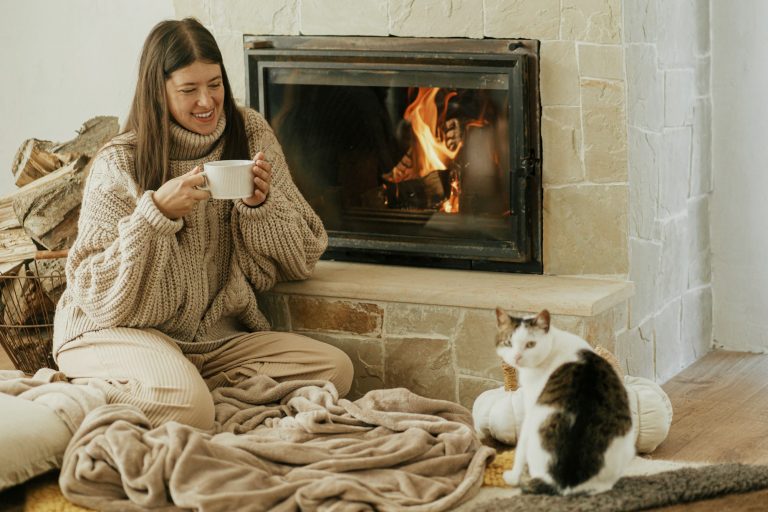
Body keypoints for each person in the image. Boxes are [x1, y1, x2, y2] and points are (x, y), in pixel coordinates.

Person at [52, 18, 354, 431]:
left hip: (209, 342)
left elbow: (303, 257)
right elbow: (96, 294)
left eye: (214, 84)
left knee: (334, 368)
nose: (207, 101)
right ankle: (81, 397)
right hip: (113, 332)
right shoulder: (120, 161)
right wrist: (154, 214)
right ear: (158, 92)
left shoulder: (250, 133)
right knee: (189, 410)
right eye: (188, 90)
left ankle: (182, 387)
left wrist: (261, 206)